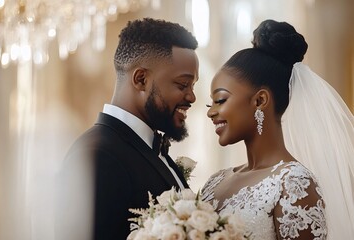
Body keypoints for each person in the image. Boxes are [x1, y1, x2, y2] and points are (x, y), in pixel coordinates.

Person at [202, 19, 354, 239]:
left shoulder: (293, 183)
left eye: (221, 99)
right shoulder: (214, 182)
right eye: (211, 103)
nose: (210, 112)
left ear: (260, 100)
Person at [55, 18, 199, 240]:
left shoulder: (148, 148)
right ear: (141, 79)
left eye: (193, 86)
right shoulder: (98, 155)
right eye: (182, 85)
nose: (191, 97)